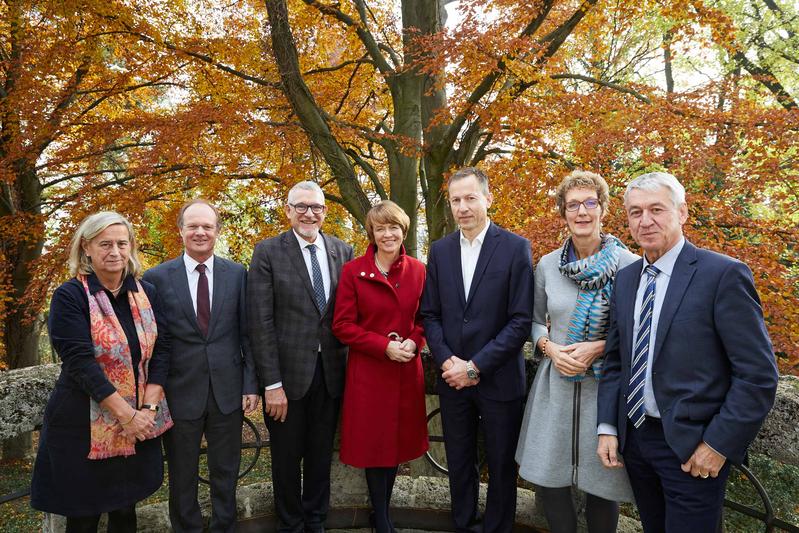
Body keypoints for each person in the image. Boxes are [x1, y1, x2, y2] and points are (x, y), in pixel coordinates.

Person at [596, 172, 779, 532]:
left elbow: (758, 375)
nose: (645, 221)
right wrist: (607, 426)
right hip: (635, 441)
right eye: (635, 212)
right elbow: (617, 361)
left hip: (693, 449)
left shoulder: (723, 275)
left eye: (656, 210)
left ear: (682, 213)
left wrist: (718, 444)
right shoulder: (627, 278)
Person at [31, 211, 173, 532]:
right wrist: (128, 417)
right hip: (82, 426)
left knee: (125, 512)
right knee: (83, 517)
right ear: (86, 248)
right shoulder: (70, 296)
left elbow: (161, 351)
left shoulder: (146, 293)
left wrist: (147, 410)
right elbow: (81, 364)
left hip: (138, 421)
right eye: (105, 243)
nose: (115, 251)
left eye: (122, 243)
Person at [515, 171, 637, 533]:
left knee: (603, 487)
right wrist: (550, 348)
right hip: (556, 386)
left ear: (603, 209)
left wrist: (598, 347)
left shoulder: (629, 265)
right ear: (563, 213)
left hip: (605, 390)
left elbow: (634, 331)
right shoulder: (548, 265)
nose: (581, 212)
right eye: (573, 205)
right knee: (550, 482)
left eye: (589, 203)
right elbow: (534, 322)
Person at [421, 167, 534, 533]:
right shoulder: (439, 251)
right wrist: (448, 361)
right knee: (458, 460)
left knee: (501, 465)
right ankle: (463, 523)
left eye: (470, 198)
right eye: (456, 200)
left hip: (499, 379)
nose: (463, 207)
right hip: (453, 379)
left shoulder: (516, 248)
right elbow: (430, 314)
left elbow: (520, 321)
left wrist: (476, 366)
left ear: (488, 198)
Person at [143, 199, 259, 532]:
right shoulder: (156, 278)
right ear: (180, 230)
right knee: (182, 476)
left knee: (226, 473)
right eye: (193, 225)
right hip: (179, 393)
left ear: (217, 231)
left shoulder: (237, 273)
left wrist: (251, 384)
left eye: (207, 226)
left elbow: (246, 333)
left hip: (228, 392)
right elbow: (153, 341)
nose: (200, 232)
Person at [248, 181, 354, 533]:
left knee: (322, 455)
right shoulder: (267, 252)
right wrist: (272, 384)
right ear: (288, 210)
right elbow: (260, 323)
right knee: (286, 459)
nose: (310, 213)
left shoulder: (343, 251)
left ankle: (317, 522)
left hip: (332, 373)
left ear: (325, 212)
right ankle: (291, 524)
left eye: (317, 207)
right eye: (302, 206)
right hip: (287, 379)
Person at [332, 201, 428, 533]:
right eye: (380, 228)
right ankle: (382, 517)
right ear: (372, 233)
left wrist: (414, 342)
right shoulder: (353, 271)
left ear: (404, 230)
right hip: (370, 372)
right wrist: (383, 346)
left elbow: (424, 319)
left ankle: (383, 511)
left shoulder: (418, 269)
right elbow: (342, 325)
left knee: (397, 443)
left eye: (394, 228)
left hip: (405, 370)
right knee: (376, 445)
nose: (388, 234)